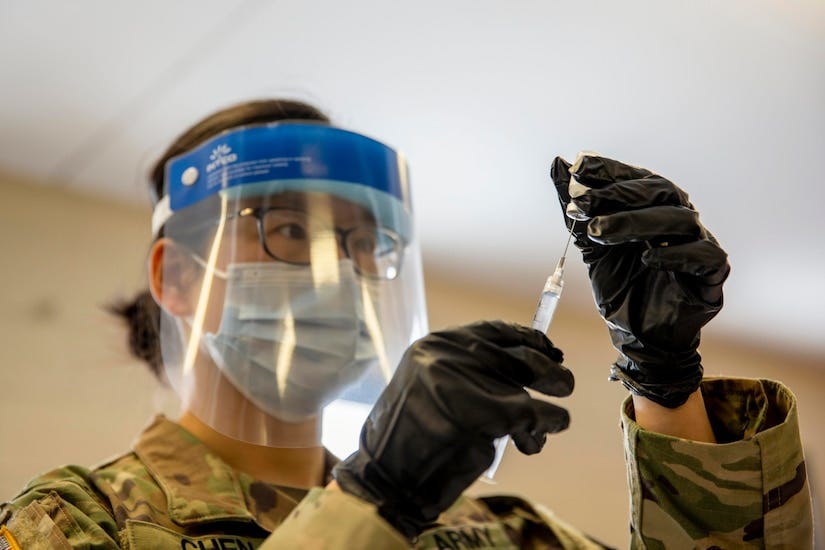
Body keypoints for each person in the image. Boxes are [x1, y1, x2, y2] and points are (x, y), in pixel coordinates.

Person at [0, 99, 812, 549]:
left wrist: (663, 379)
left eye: (368, 246)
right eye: (293, 232)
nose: (345, 274)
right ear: (178, 277)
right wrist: (373, 502)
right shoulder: (75, 522)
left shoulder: (492, 533)